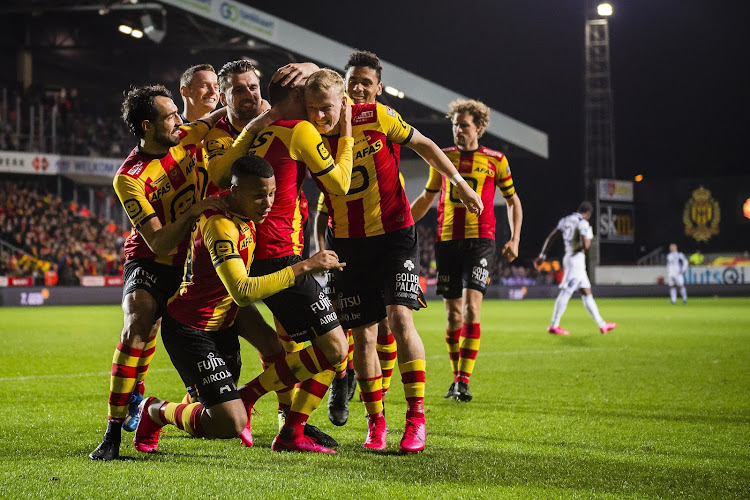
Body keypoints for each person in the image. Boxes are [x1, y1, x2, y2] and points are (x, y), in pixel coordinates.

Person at [310, 67, 484, 453]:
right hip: (348, 244)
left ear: (344, 102)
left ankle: (416, 419)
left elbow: (424, 145)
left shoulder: (377, 117)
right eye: (314, 109)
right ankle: (376, 423)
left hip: (394, 236)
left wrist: (457, 182)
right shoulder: (305, 131)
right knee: (363, 334)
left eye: (327, 108)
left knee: (400, 318)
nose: (320, 116)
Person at [133, 154, 347, 453]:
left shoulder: (244, 214)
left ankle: (280, 421)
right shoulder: (221, 225)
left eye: (271, 193)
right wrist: (305, 267)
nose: (268, 202)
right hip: (192, 330)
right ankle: (155, 410)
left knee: (278, 349)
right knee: (227, 424)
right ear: (234, 191)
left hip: (225, 321)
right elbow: (243, 292)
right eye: (259, 195)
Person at [90, 84, 228, 461]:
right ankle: (112, 432)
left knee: (164, 329)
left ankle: (146, 394)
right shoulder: (129, 178)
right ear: (148, 126)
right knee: (138, 325)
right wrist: (197, 209)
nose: (179, 121)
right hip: (151, 261)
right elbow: (160, 244)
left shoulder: (185, 135)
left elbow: (214, 119)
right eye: (170, 116)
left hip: (195, 261)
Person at [411, 98, 523, 403]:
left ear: (480, 128)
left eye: (464, 125)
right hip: (447, 241)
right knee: (452, 315)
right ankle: (454, 376)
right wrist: (401, 220)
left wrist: (514, 239)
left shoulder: (496, 160)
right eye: (455, 125)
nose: (458, 131)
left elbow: (513, 202)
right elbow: (426, 197)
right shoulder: (443, 158)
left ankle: (463, 380)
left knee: (473, 308)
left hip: (481, 240)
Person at [315, 50, 398, 426]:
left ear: (379, 88)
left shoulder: (385, 119)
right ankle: (341, 381)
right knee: (346, 320)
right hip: (343, 236)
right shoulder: (327, 123)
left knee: (384, 325)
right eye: (353, 81)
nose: (359, 87)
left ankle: (377, 389)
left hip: (383, 234)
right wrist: (321, 244)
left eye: (367, 82)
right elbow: (325, 196)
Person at [534, 202, 616, 336]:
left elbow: (551, 237)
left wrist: (542, 255)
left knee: (586, 292)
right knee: (566, 291)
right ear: (588, 213)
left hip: (571, 258)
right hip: (575, 261)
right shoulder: (583, 223)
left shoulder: (565, 220)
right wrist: (588, 237)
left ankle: (602, 324)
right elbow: (585, 245)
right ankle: (554, 325)